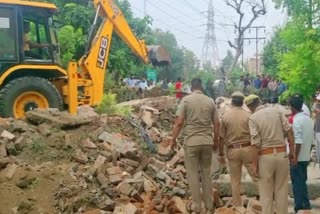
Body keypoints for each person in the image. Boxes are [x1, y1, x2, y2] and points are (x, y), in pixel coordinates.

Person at [171, 78, 220, 213]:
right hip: (207, 142)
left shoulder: (186, 100)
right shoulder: (210, 101)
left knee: (193, 174)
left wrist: (172, 139)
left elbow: (179, 122)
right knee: (206, 173)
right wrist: (215, 141)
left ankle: (197, 206)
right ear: (201, 87)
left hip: (192, 142)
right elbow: (217, 123)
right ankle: (210, 205)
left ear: (191, 87)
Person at [245, 94, 295, 214]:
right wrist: (292, 151)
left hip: (265, 157)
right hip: (282, 154)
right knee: (282, 191)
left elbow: (255, 144)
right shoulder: (276, 111)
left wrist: (254, 164)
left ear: (250, 107)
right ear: (260, 101)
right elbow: (289, 130)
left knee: (266, 194)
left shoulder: (253, 118)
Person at [219, 91, 259, 210]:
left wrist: (221, 154)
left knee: (235, 181)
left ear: (232, 102)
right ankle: (266, 202)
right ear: (242, 103)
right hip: (248, 149)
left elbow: (221, 138)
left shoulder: (226, 116)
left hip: (233, 150)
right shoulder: (248, 116)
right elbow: (255, 135)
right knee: (256, 176)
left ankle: (238, 207)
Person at [289, 94, 313, 213]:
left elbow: (298, 141)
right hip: (306, 156)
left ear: (292, 107)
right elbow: (311, 141)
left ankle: (299, 206)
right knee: (302, 181)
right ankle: (306, 204)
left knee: (297, 183)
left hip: (298, 157)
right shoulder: (309, 120)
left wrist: (294, 157)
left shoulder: (296, 121)